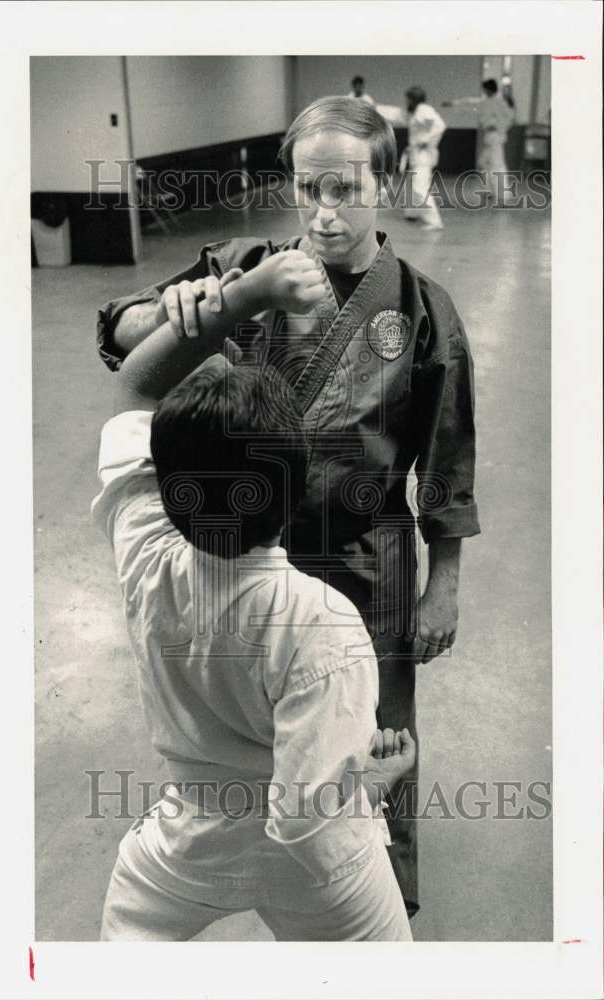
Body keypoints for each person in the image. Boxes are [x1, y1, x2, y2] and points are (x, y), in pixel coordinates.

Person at [96, 95, 481, 918]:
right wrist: (179, 310)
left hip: (367, 560)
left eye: (345, 189)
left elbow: (448, 456)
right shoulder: (248, 263)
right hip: (246, 552)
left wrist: (444, 575)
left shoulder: (420, 308)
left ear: (384, 184)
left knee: (377, 728)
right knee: (251, 720)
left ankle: (380, 892)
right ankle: (262, 866)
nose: (325, 212)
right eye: (309, 190)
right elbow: (122, 335)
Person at [93, 264, 417, 940]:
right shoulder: (322, 623)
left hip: (187, 841)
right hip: (312, 872)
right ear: (296, 491)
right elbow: (307, 824)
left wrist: (236, 298)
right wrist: (377, 781)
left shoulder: (145, 547)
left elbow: (134, 383)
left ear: (166, 486)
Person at [377, 86, 446, 229]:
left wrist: (425, 139)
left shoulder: (424, 110)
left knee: (420, 187)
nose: (406, 102)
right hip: (415, 154)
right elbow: (397, 114)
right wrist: (375, 108)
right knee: (409, 186)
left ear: (413, 99)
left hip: (423, 155)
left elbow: (440, 125)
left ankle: (434, 221)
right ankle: (412, 213)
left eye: (407, 99)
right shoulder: (414, 112)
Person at [442, 79, 516, 203]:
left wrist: (498, 126)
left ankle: (503, 195)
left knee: (497, 164)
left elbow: (510, 116)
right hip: (489, 135)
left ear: (488, 89)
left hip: (495, 136)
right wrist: (453, 103)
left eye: (484, 89)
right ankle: (489, 190)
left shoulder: (500, 102)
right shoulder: (487, 102)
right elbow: (470, 103)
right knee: (484, 163)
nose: (483, 91)